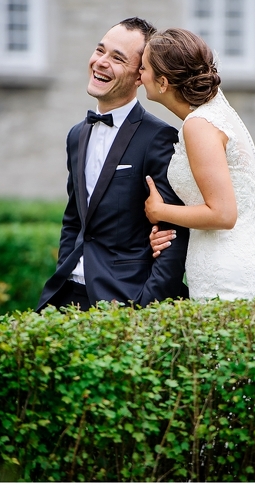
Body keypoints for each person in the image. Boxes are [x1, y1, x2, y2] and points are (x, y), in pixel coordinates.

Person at [37, 18, 190, 312]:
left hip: (125, 299)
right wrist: (65, 268)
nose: (101, 62)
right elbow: (74, 220)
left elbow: (174, 234)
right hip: (65, 294)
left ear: (139, 76)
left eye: (117, 58)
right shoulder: (76, 135)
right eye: (100, 50)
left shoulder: (158, 138)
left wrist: (145, 307)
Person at [141, 28, 255, 300]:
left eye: (144, 68)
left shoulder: (199, 125)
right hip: (229, 264)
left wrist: (160, 210)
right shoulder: (215, 115)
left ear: (163, 82)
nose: (139, 74)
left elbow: (223, 215)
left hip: (227, 277)